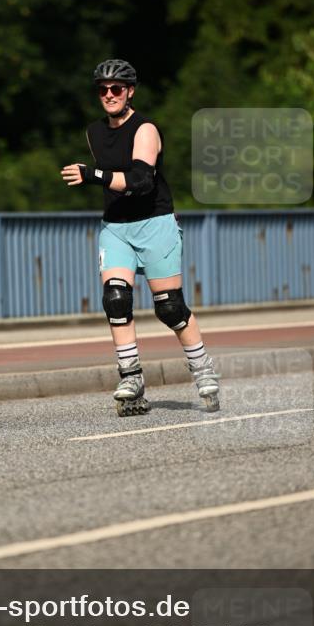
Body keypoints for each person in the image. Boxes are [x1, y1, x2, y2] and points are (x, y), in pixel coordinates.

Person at [61, 58, 220, 417]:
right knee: (116, 298)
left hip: (155, 222)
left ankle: (203, 369)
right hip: (116, 226)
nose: (109, 95)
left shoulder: (145, 128)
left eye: (116, 89)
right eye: (102, 90)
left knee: (169, 307)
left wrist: (93, 175)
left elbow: (140, 182)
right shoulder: (94, 132)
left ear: (130, 92)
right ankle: (131, 378)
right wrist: (97, 176)